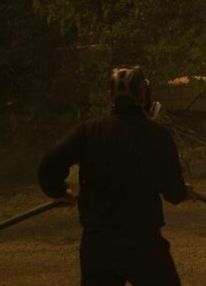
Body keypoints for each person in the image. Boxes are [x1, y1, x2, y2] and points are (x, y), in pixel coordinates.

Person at [38, 66, 194, 285]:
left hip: (99, 244)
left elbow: (48, 166)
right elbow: (172, 191)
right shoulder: (157, 136)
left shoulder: (88, 131)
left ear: (110, 97)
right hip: (143, 243)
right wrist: (183, 191)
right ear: (142, 93)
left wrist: (58, 191)